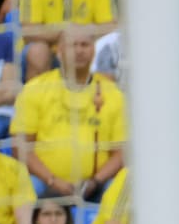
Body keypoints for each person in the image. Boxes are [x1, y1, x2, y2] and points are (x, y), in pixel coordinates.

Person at [11, 28, 125, 199]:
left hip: (97, 185)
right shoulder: (35, 89)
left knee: (120, 189)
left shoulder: (113, 94)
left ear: (93, 50)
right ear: (59, 51)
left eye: (85, 45)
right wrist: (52, 180)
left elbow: (121, 152)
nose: (79, 50)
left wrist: (95, 181)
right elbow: (21, 147)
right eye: (73, 45)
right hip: (44, 182)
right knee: (28, 187)